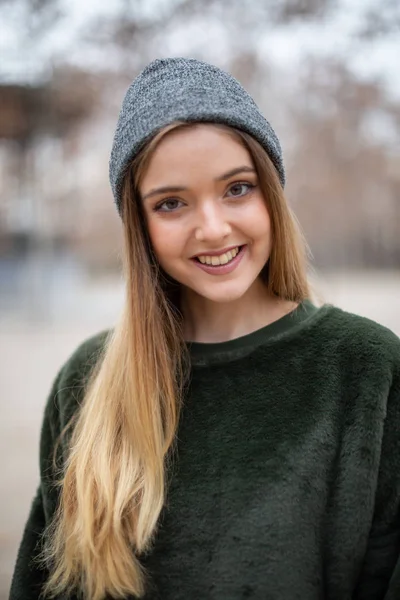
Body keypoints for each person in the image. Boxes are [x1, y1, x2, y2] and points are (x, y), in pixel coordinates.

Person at [10, 57, 400, 600]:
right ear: (140, 227)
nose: (213, 229)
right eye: (171, 203)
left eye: (237, 189)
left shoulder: (366, 367)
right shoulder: (87, 382)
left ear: (271, 193)